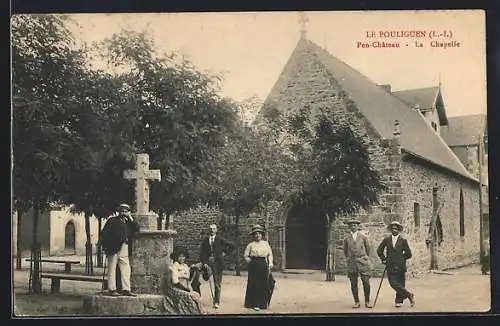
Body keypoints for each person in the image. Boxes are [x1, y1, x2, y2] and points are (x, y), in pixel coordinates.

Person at [100, 203, 140, 297]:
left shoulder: (128, 222)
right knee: (112, 268)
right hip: (113, 248)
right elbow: (104, 234)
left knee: (126, 268)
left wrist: (130, 218)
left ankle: (126, 289)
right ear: (119, 212)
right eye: (122, 211)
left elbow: (137, 228)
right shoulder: (112, 221)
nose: (124, 213)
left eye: (126, 211)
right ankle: (112, 289)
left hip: (125, 247)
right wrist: (105, 247)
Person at [376, 221, 415, 308]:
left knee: (400, 283)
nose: (394, 230)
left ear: (399, 230)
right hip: (390, 265)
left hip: (400, 265)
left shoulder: (403, 240)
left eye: (396, 229)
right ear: (391, 230)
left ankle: (399, 301)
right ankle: (409, 295)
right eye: (393, 229)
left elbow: (409, 254)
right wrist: (384, 259)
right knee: (393, 283)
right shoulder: (387, 240)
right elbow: (379, 250)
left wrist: (401, 258)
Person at [199, 224, 235, 309]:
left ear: (216, 230)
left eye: (214, 229)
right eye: (210, 229)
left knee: (217, 283)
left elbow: (232, 246)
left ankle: (216, 301)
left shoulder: (220, 239)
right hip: (208, 263)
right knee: (199, 275)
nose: (212, 230)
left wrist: (225, 253)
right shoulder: (205, 240)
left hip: (218, 264)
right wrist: (204, 262)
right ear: (209, 230)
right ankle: (197, 296)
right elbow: (202, 252)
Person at [162, 246, 203, 314]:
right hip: (176, 288)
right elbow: (175, 282)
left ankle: (198, 313)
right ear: (176, 257)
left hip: (185, 286)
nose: (182, 258)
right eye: (180, 256)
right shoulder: (174, 266)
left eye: (183, 256)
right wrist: (186, 290)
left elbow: (189, 278)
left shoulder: (185, 266)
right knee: (189, 296)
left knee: (197, 295)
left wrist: (193, 269)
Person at [243, 224, 276, 311]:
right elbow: (246, 255)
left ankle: (263, 303)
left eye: (259, 234)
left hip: (263, 264)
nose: (258, 235)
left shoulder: (265, 244)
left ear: (262, 235)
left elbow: (270, 254)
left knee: (264, 283)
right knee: (254, 284)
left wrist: (270, 263)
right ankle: (254, 303)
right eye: (256, 234)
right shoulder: (251, 245)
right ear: (253, 235)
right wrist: (250, 261)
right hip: (254, 265)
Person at [343, 218, 373, 308]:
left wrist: (365, 258)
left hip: (363, 262)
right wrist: (349, 259)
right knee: (353, 283)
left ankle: (367, 301)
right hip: (352, 263)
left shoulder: (363, 237)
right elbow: (345, 251)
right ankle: (356, 302)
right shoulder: (347, 239)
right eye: (351, 225)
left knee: (366, 283)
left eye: (355, 225)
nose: (353, 227)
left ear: (357, 226)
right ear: (349, 227)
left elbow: (368, 249)